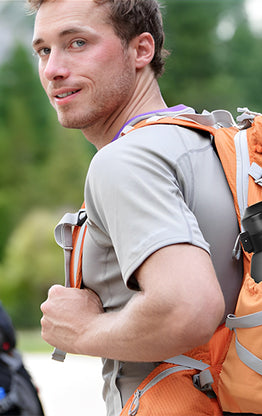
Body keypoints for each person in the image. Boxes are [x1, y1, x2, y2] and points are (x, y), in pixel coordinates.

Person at [27, 0, 243, 414]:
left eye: (76, 43)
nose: (53, 69)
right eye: (43, 50)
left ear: (141, 50)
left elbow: (189, 308)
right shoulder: (213, 142)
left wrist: (83, 330)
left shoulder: (125, 160)